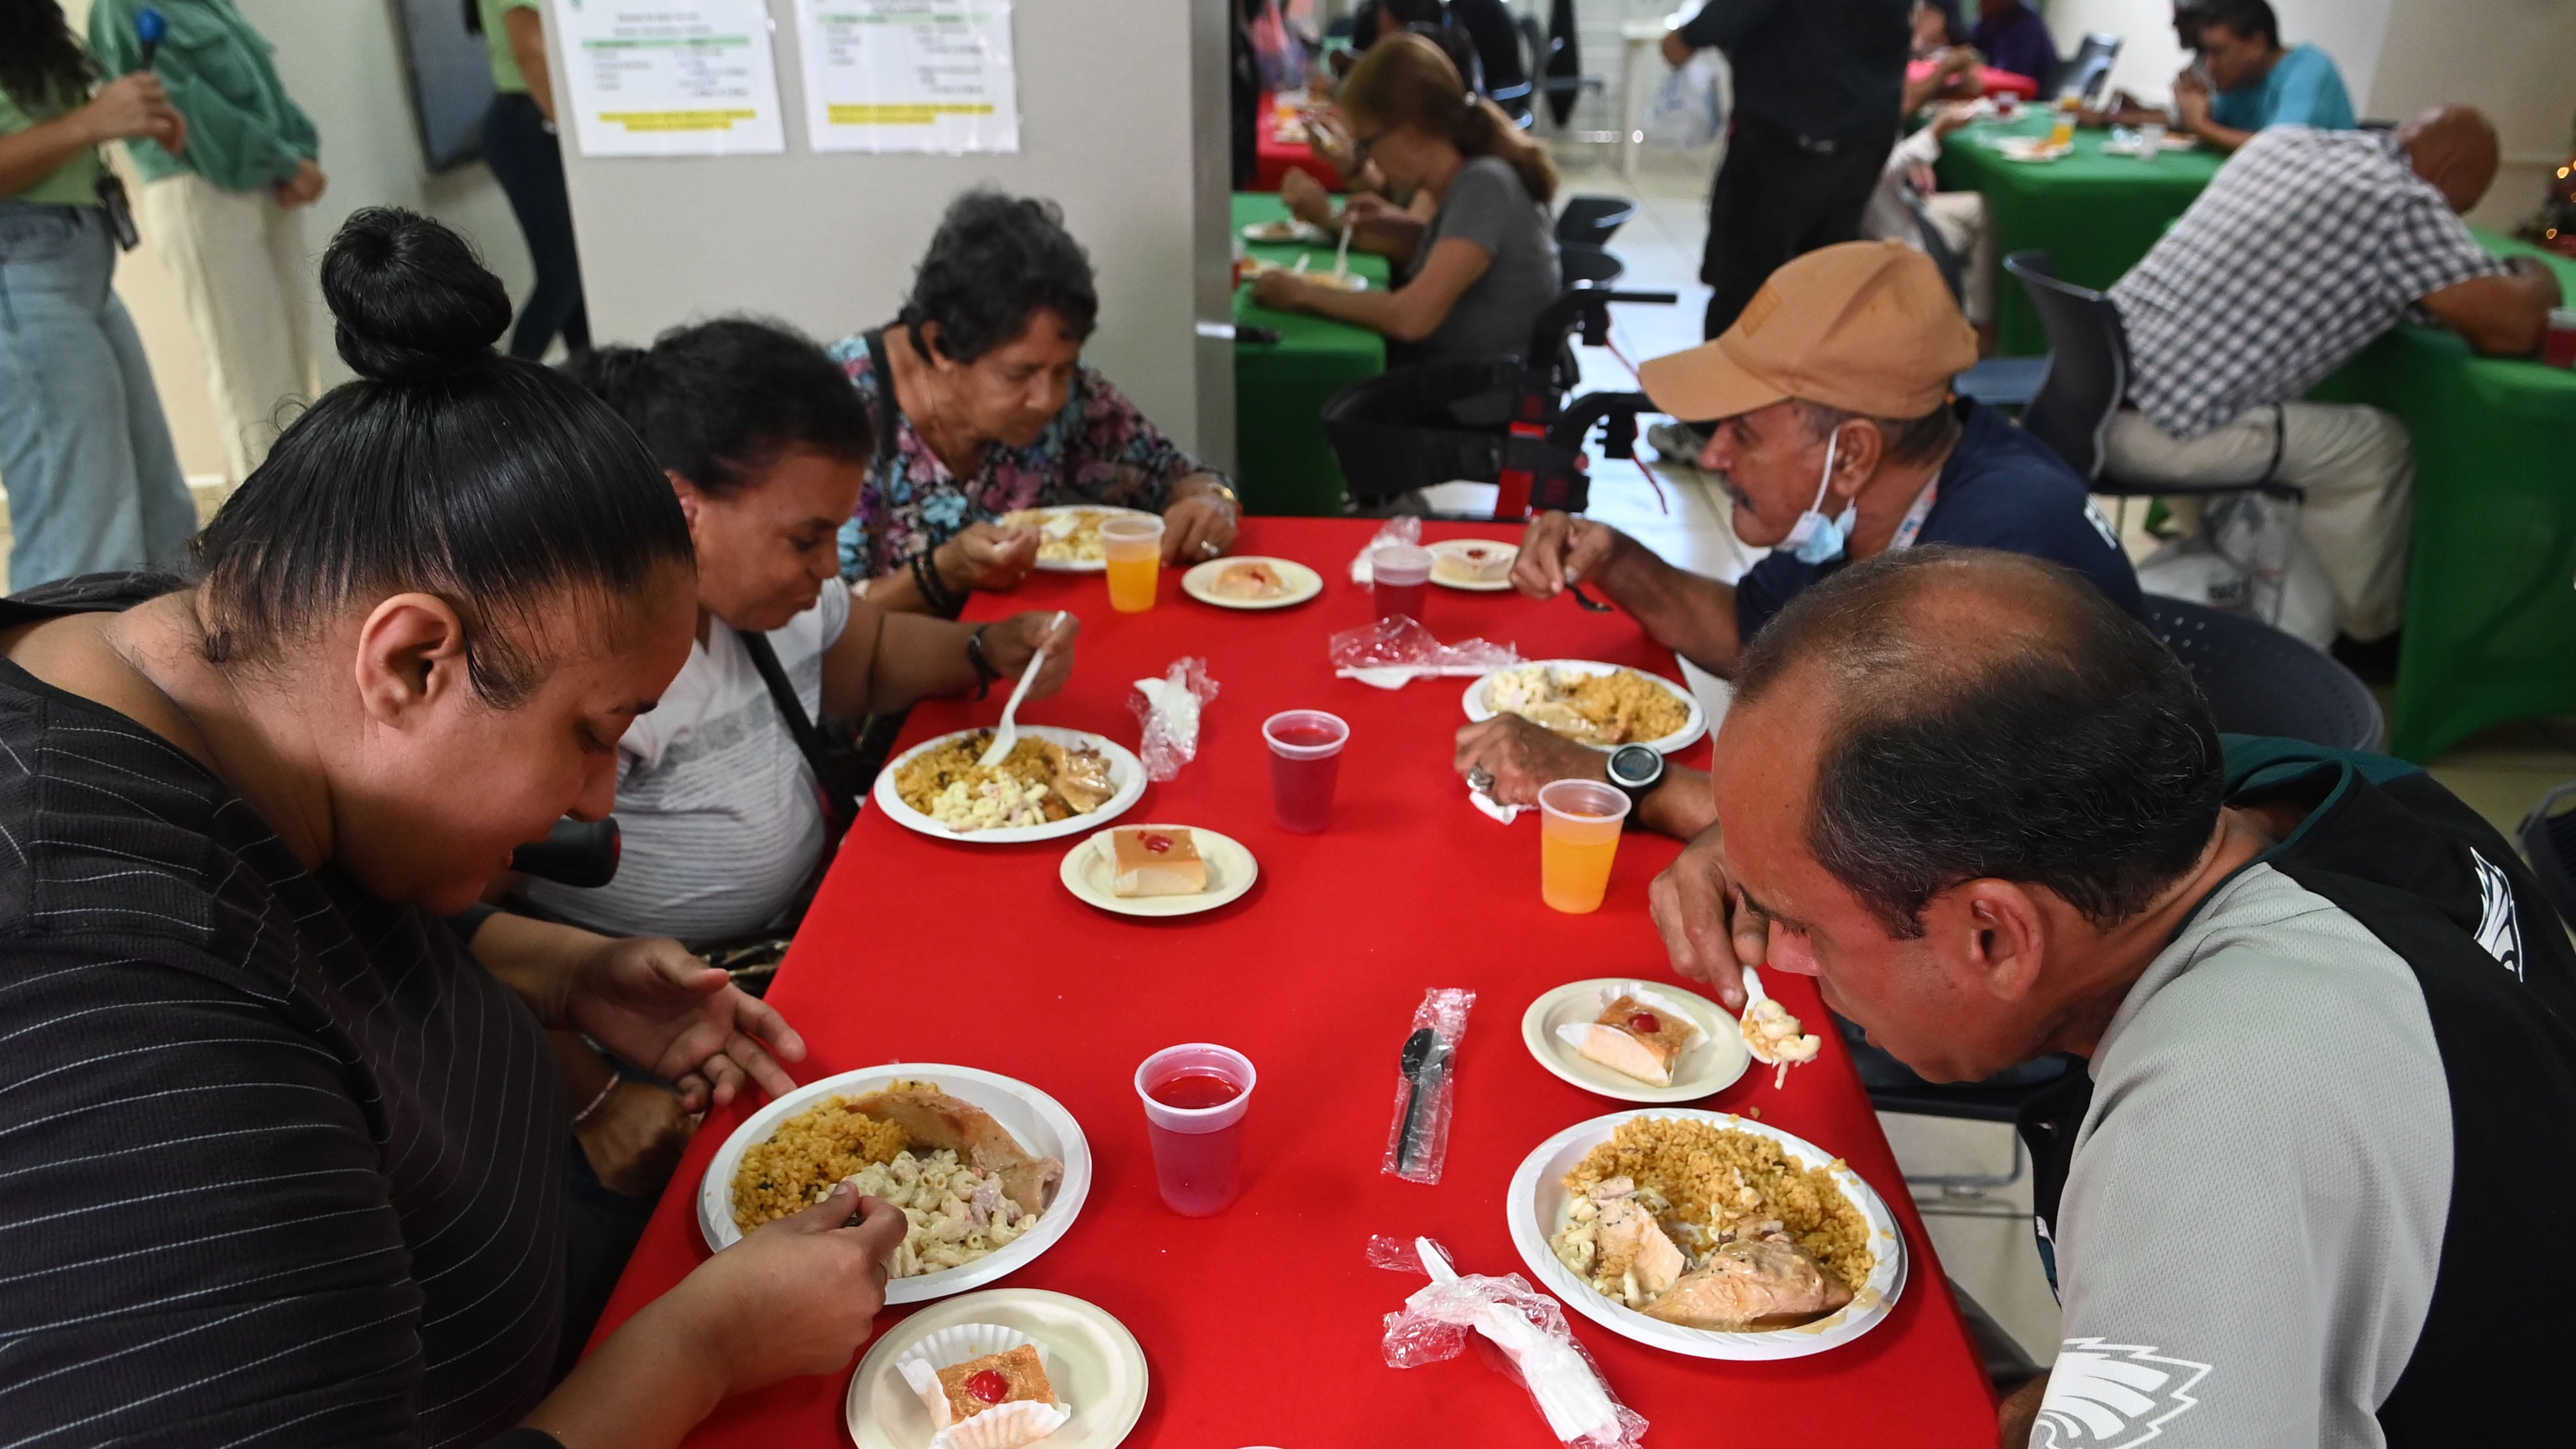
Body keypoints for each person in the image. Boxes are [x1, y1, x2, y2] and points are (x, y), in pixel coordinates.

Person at [0, 207, 908, 1444]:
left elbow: (311, 903)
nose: (598, 800)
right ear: (415, 659)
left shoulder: (183, 645)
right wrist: (704, 1344)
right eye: (595, 731)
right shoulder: (117, 998)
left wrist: (564, 966)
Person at [1650, 546, 2576, 1446]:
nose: (1785, 955)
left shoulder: (2216, 1119)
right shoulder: (2282, 797)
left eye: (1801, 924)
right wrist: (1764, 854)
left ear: (1994, 936)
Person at [1455, 241, 2139, 837]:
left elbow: (1891, 838)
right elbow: (1751, 634)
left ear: (1851, 455)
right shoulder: (1874, 495)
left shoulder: (1992, 560)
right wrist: (1618, 559)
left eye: (1744, 433)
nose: (1716, 455)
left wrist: (1620, 779)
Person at [529, 317, 1081, 946]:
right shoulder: (594, 674)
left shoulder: (771, 607)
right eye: (806, 540)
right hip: (673, 1000)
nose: (829, 567)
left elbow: (871, 658)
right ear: (684, 511)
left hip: (801, 930)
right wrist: (582, 987)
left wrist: (984, 649)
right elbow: (486, 920)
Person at [2107, 106, 2558, 645]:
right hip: (2162, 436)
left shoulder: (2285, 143)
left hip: (2094, 398)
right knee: (2381, 444)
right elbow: (2515, 330)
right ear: (2452, 173)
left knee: (2289, 426)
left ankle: (2255, 564)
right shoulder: (2402, 202)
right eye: (2460, 207)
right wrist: (2538, 275)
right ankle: (2369, 626)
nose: (2451, 219)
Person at [832, 190, 1242, 611]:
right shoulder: (835, 407)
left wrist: (1212, 501)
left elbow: (1180, 476)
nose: (1047, 400)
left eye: (1064, 369)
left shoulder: (1072, 397)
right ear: (940, 346)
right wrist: (942, 574)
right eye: (1018, 375)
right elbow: (808, 628)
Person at [0, 0, 198, 592]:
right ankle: (48, 686)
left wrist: (109, 122)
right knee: (80, 536)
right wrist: (92, 122)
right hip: (22, 272)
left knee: (161, 517)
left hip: (77, 265)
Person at [87, 0, 323, 486]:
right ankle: (265, 549)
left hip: (269, 182)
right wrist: (287, 163)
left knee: (296, 373)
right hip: (204, 189)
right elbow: (189, 108)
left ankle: (309, 525)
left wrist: (300, 154)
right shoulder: (120, 7)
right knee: (254, 383)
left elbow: (267, 91)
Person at [1251, 32, 1560, 366]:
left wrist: (1303, 294)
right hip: (1459, 377)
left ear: (1409, 135)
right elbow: (1440, 259)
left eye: (1368, 145)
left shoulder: (1485, 185)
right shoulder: (1468, 179)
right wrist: (1395, 227)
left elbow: (1411, 318)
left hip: (1473, 396)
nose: (1369, 159)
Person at [1661, 0, 1912, 340]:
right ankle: (1804, 382)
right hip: (1862, 145)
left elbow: (1697, 35)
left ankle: (1738, 388)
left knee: (1746, 291)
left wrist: (1680, 40)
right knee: (1823, 286)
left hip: (1784, 143)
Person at [473, 0, 587, 357]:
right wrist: (573, 134)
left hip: (538, 120)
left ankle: (593, 396)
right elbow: (531, 52)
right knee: (563, 277)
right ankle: (503, 402)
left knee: (576, 281)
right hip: (531, 123)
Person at [1862, 102, 1995, 334]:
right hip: (1885, 228)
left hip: (1904, 199)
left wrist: (1915, 161)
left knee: (1982, 208)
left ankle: (1978, 323)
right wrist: (1937, 131)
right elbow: (1870, 172)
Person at [2173, 0, 2353, 153]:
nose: (2208, 65)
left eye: (2218, 52)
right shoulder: (2241, 79)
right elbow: (2219, 128)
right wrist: (2192, 107)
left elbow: (2280, 149)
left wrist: (2202, 125)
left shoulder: (2308, 69)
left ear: (2257, 45)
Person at [1968, 0, 2056, 88]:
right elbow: (1968, 42)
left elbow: (2011, 75)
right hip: (2006, 89)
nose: (1980, 3)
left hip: (2031, 95)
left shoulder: (2026, 23)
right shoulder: (1993, 18)